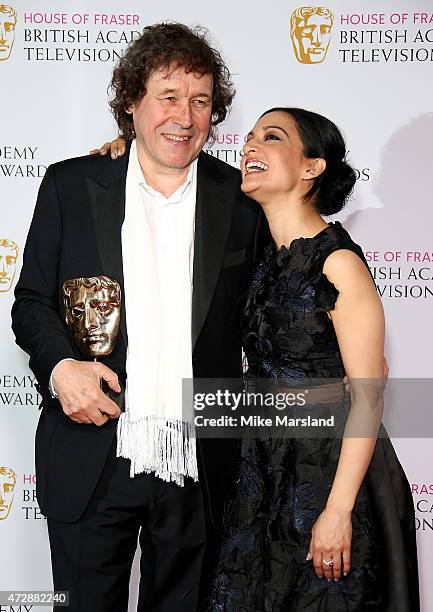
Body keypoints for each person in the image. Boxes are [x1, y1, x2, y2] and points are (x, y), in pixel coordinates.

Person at [12, 23, 267, 612]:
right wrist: (60, 369)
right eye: (169, 96)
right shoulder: (73, 184)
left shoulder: (242, 200)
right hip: (93, 450)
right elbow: (31, 302)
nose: (185, 115)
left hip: (199, 463)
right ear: (133, 103)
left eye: (201, 101)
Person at [197, 108, 418, 611]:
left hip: (331, 477)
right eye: (248, 137)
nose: (250, 146)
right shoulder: (265, 257)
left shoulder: (337, 262)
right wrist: (126, 152)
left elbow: (367, 395)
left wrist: (337, 511)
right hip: (262, 473)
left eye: (270, 138)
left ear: (311, 167)